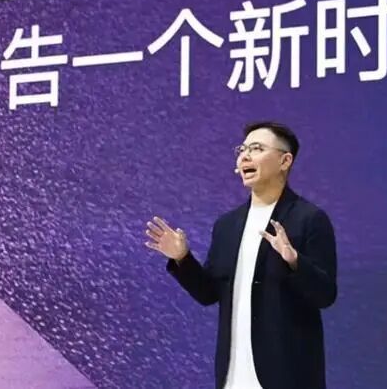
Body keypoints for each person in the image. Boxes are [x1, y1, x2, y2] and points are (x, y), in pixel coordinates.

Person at [145, 121, 338, 389]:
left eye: (256, 148)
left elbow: (325, 295)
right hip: (233, 376)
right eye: (242, 149)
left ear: (285, 161)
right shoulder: (227, 225)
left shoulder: (309, 219)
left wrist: (294, 262)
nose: (245, 156)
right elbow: (209, 293)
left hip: (288, 375)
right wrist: (182, 258)